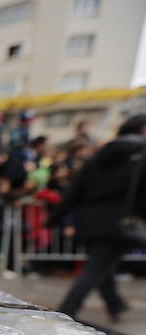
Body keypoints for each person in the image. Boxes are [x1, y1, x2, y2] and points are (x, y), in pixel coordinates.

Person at [48, 114, 146, 321]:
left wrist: (56, 218)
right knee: (95, 270)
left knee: (102, 265)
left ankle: (115, 304)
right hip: (119, 222)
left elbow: (75, 191)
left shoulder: (98, 157)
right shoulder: (140, 156)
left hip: (88, 221)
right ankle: (66, 312)